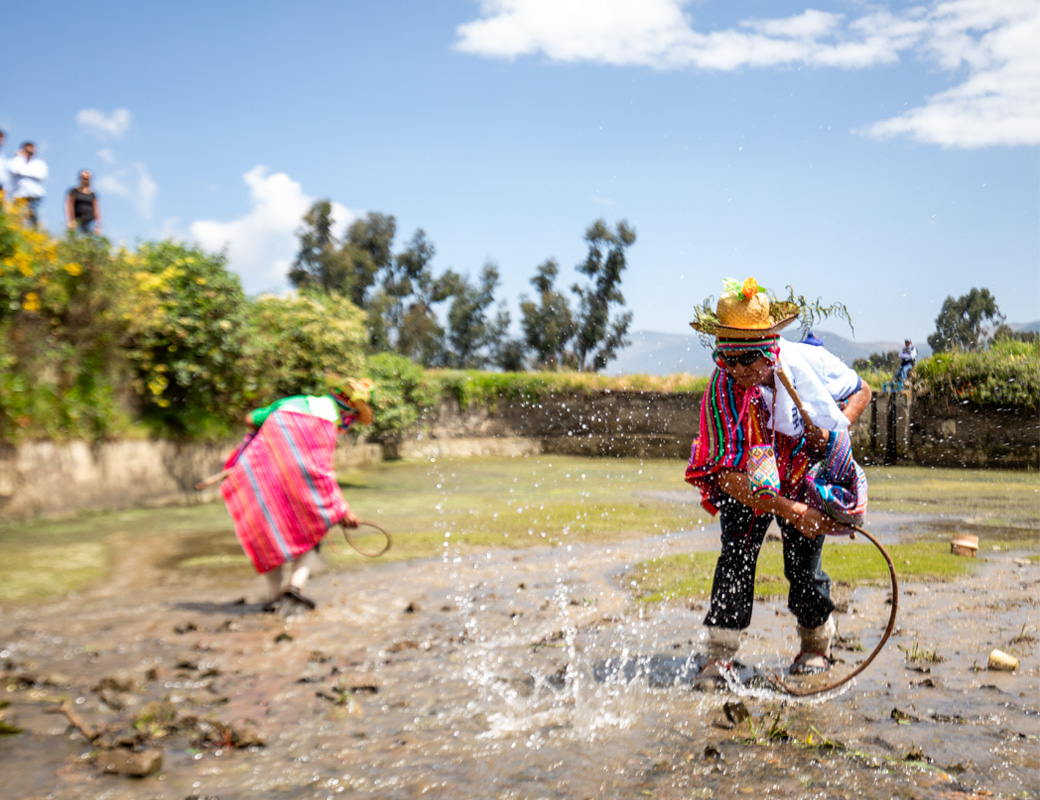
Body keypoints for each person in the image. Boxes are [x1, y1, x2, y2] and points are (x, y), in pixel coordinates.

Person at [685, 277, 872, 686]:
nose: (738, 371)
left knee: (804, 567)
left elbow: (863, 391)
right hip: (748, 479)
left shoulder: (809, 365)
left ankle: (815, 646)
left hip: (802, 472)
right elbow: (726, 475)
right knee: (735, 558)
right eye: (727, 360)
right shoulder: (722, 390)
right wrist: (789, 509)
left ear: (770, 353)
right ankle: (718, 655)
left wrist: (835, 432)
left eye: (747, 360)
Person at [219, 376, 375, 613]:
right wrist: (342, 510)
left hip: (265, 479)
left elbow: (251, 419)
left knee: (268, 531)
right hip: (299, 483)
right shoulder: (327, 425)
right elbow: (320, 474)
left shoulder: (292, 402)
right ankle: (294, 587)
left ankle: (273, 598)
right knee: (313, 528)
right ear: (349, 412)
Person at [6, 142, 48, 227]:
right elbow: (12, 169)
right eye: (27, 152)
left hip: (33, 197)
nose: (29, 155)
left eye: (31, 153)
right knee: (16, 220)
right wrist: (19, 158)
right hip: (18, 196)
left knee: (34, 220)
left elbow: (41, 175)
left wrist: (21, 171)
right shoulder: (16, 161)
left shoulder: (39, 163)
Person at [65, 169, 101, 234]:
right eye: (83, 178)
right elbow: (70, 207)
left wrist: (97, 225)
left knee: (88, 241)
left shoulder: (92, 194)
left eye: (87, 179)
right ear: (80, 179)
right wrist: (71, 221)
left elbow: (96, 210)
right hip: (77, 221)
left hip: (90, 222)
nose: (85, 181)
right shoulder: (74, 192)